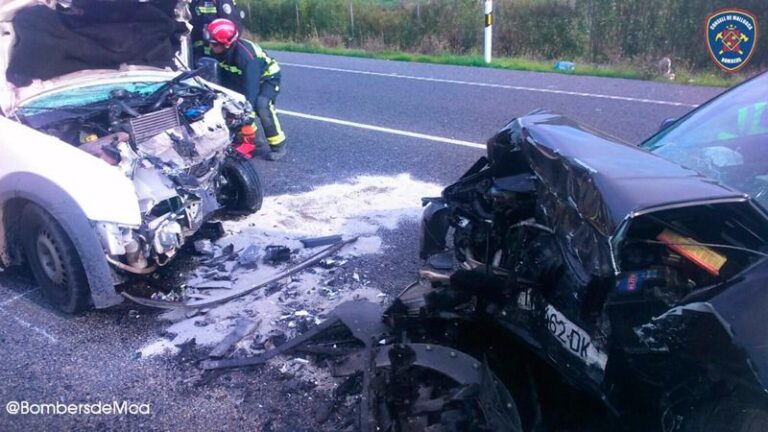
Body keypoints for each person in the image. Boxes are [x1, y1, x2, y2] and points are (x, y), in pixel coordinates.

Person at [207, 18, 287, 160]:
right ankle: (254, 141)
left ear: (226, 44)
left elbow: (251, 89)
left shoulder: (247, 57)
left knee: (261, 106)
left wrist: (248, 116)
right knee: (232, 106)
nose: (210, 46)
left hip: (266, 79)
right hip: (239, 77)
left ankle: (278, 145)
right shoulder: (218, 51)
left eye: (214, 44)